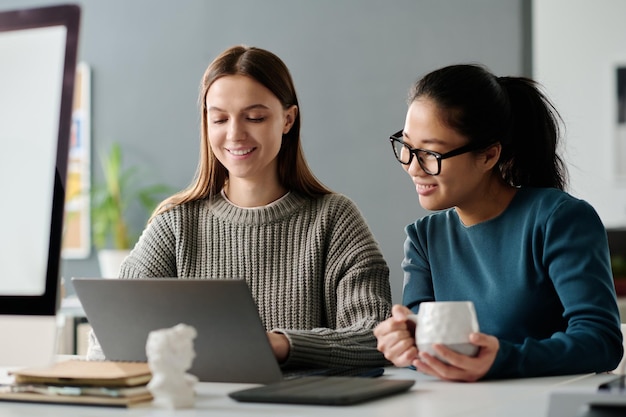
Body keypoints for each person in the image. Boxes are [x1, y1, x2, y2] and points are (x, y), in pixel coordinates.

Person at [88, 45, 392, 370]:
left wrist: (279, 345)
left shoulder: (334, 218)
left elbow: (375, 338)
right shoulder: (176, 224)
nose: (235, 134)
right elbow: (109, 335)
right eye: (219, 118)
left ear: (288, 119)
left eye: (255, 117)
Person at [373, 63, 624, 381]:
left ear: (489, 156)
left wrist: (503, 358)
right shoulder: (423, 238)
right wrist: (405, 346)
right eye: (407, 147)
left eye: (430, 154)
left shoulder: (557, 220)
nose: (412, 167)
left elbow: (601, 342)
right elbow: (426, 348)